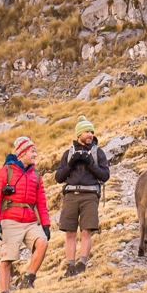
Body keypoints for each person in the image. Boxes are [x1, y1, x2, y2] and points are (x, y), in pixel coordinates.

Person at [0, 136, 50, 293]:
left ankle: (29, 277)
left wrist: (45, 224)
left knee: (42, 243)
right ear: (22, 153)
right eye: (32, 151)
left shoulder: (36, 175)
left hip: (30, 220)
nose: (35, 155)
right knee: (7, 259)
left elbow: (41, 202)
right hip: (9, 220)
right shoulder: (5, 171)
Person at [55, 116, 110, 276]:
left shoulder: (98, 153)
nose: (90, 135)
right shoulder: (68, 153)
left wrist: (90, 164)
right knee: (70, 232)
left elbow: (105, 176)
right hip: (71, 195)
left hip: (90, 195)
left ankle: (82, 264)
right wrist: (70, 164)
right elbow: (58, 177)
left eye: (91, 132)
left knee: (86, 231)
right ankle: (70, 266)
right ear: (79, 134)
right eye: (86, 132)